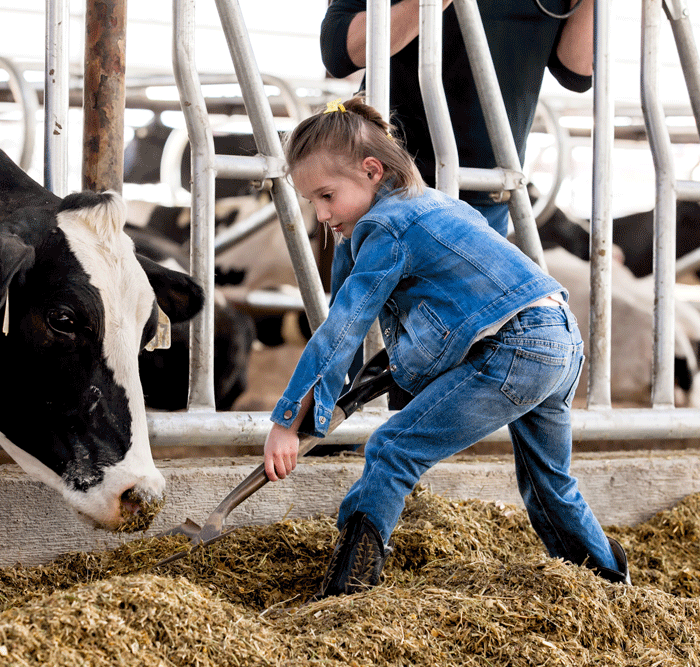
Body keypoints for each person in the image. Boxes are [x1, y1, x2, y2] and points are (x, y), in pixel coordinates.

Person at [264, 96, 629, 599]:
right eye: (312, 202)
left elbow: (342, 328)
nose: (322, 214)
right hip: (558, 338)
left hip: (516, 347)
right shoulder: (432, 203)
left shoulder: (385, 228)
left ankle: (346, 594)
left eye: (327, 196)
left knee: (393, 448)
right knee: (550, 482)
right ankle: (612, 583)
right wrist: (346, 390)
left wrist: (287, 422)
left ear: (372, 171)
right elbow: (430, 311)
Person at [320, 0, 594, 236]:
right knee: (370, 296)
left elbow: (576, 71)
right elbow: (339, 50)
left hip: (488, 186)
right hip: (387, 181)